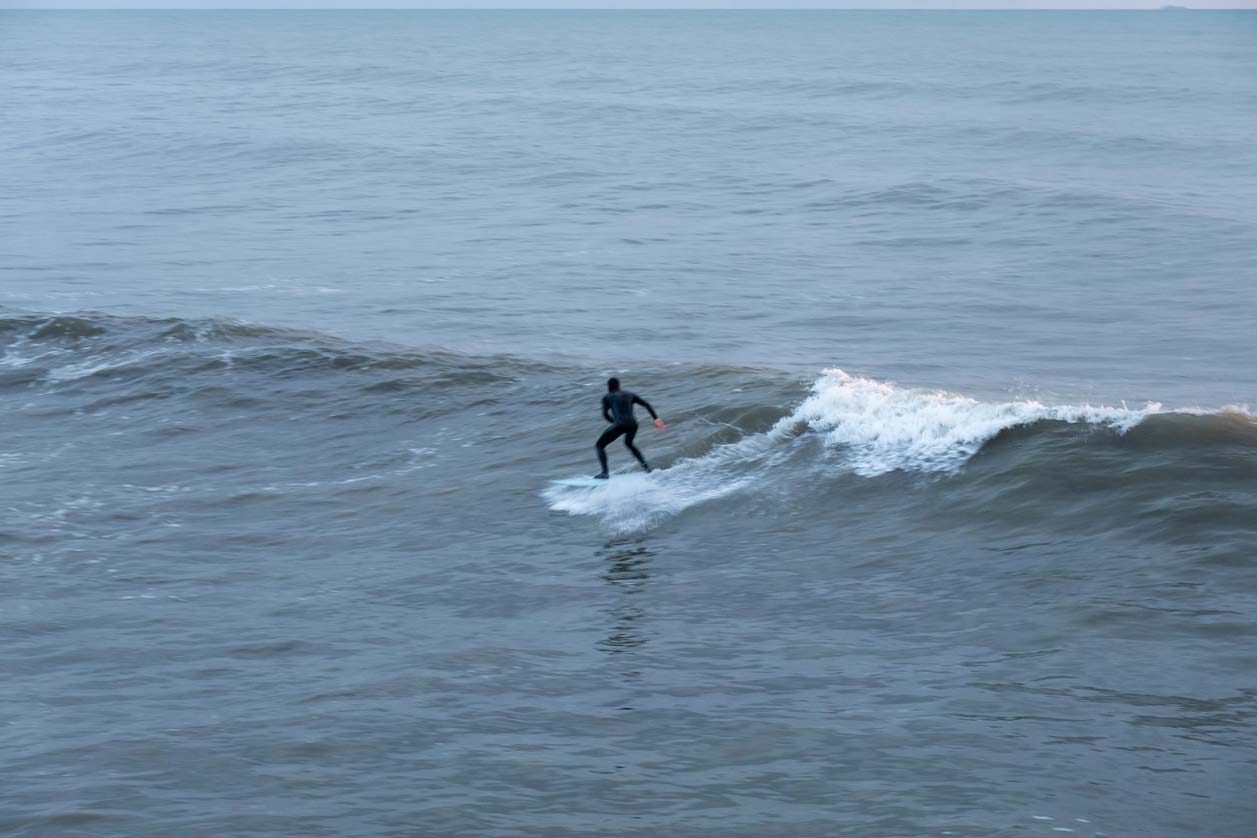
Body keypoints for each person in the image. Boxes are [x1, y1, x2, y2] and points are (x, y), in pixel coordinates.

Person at [595, 377, 665, 478]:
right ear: (619, 385)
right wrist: (656, 418)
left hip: (620, 424)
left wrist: (615, 423)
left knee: (599, 446)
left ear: (608, 387)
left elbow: (605, 414)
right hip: (633, 425)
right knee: (629, 444)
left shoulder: (607, 397)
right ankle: (647, 468)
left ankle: (605, 473)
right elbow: (646, 404)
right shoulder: (629, 394)